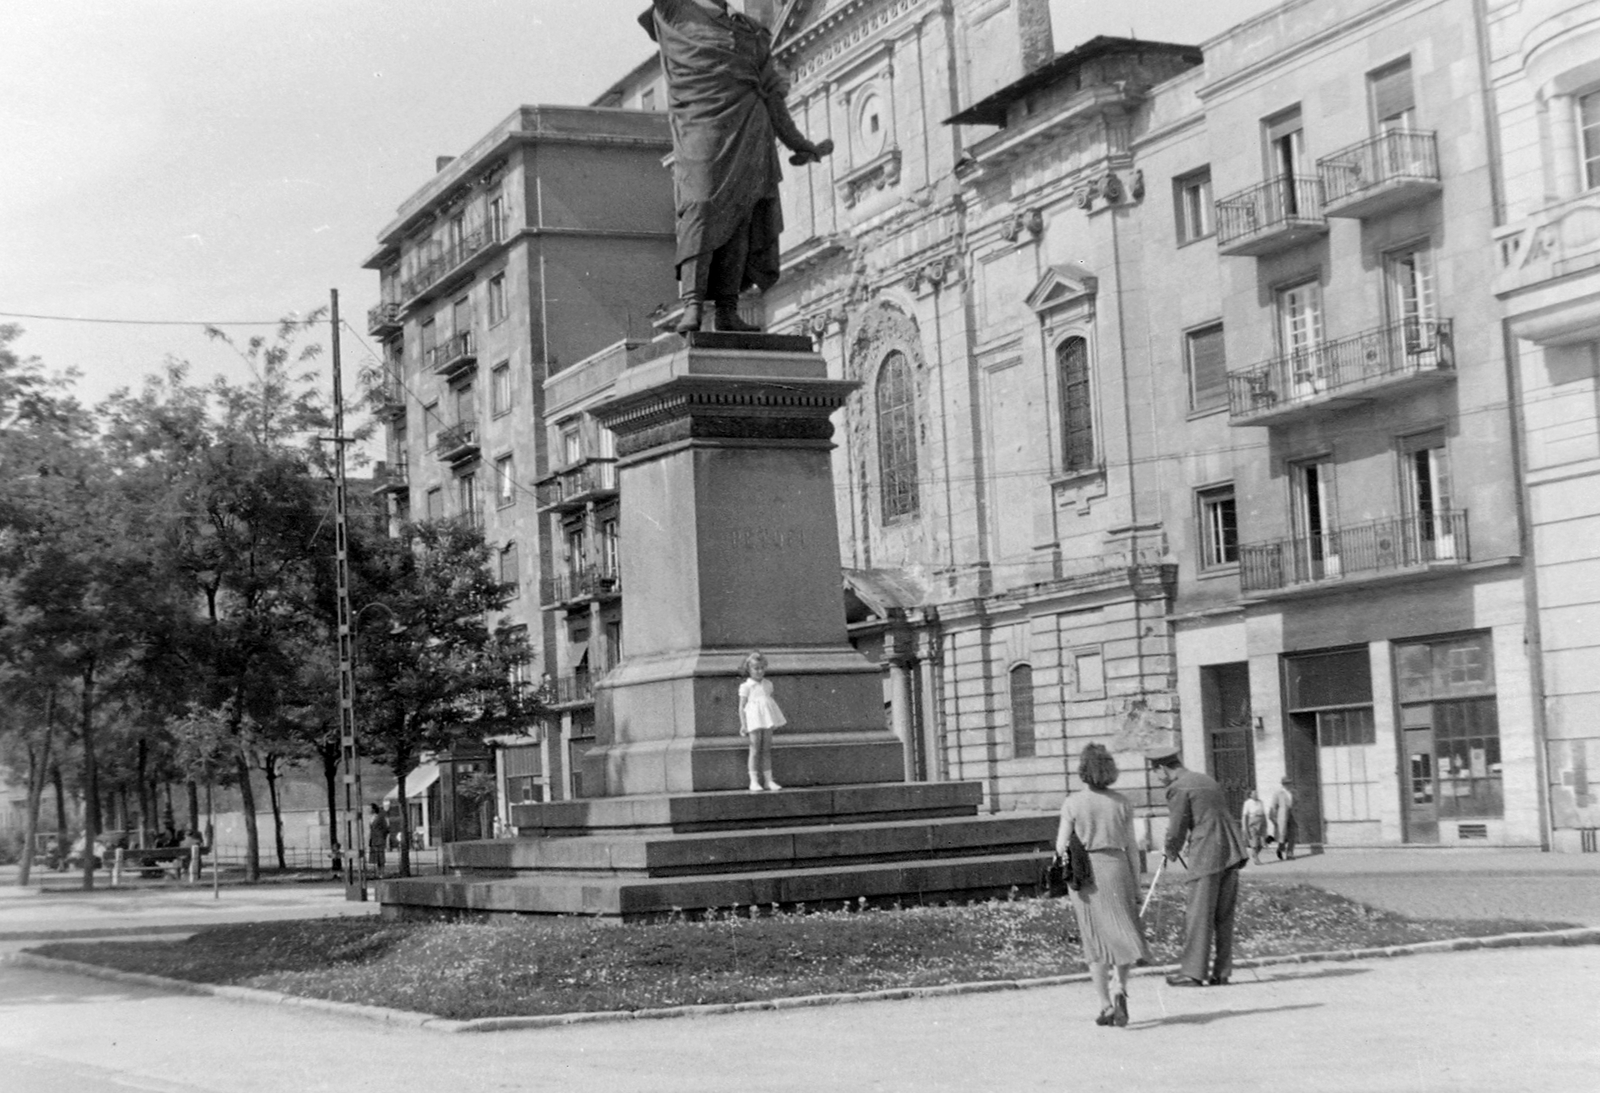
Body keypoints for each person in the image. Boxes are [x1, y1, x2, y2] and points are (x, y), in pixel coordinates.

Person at [640, 0, 834, 334]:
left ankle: (727, 309)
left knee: (741, 219)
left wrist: (800, 143)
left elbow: (773, 95)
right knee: (700, 206)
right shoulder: (674, 11)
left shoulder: (752, 31)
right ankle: (693, 304)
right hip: (701, 128)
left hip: (750, 129)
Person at [1055, 743, 1150, 1027]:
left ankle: (1105, 1004)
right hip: (1118, 868)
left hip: (1087, 875)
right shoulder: (1123, 803)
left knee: (1095, 940)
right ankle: (1120, 987)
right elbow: (1132, 848)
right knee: (1123, 932)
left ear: (1083, 770)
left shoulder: (1072, 803)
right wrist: (1136, 886)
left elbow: (1061, 847)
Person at [1148, 745, 1249, 988]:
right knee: (1223, 916)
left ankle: (1193, 973)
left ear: (1162, 768)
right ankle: (1221, 972)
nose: (1156, 778)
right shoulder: (1204, 779)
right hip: (1231, 850)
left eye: (1155, 772)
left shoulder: (1177, 787)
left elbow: (1176, 827)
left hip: (1206, 853)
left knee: (1199, 914)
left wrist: (1170, 850)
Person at [738, 650, 786, 792]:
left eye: (762, 668)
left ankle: (768, 780)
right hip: (754, 719)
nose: (759, 671)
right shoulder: (746, 686)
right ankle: (754, 781)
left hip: (766, 719)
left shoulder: (768, 684)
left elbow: (767, 703)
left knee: (766, 749)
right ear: (749, 669)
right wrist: (743, 724)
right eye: (755, 668)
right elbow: (741, 707)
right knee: (754, 749)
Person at [1270, 777, 1298, 860]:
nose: (1288, 785)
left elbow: (1297, 802)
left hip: (1292, 814)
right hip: (1282, 814)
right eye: (1286, 783)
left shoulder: (1294, 792)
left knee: (1293, 834)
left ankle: (1290, 853)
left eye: (1289, 783)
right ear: (1283, 784)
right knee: (1282, 834)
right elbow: (1273, 805)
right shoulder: (1278, 793)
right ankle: (1280, 848)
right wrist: (1274, 816)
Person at [1240, 789, 1268, 866]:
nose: (1256, 795)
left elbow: (1263, 813)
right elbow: (1245, 816)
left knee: (1262, 843)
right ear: (1250, 795)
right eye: (1254, 794)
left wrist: (1265, 824)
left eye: (1257, 793)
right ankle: (1256, 859)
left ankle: (1254, 854)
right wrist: (1245, 827)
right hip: (1252, 823)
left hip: (1261, 822)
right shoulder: (1247, 803)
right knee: (1254, 841)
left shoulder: (1260, 802)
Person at [366, 803, 390, 876]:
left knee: (381, 856)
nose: (369, 810)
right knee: (375, 857)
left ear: (374, 809)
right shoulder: (371, 817)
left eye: (370, 808)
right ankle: (377, 872)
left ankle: (382, 872)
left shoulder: (380, 817)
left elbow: (386, 828)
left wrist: (383, 837)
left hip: (380, 839)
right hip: (373, 839)